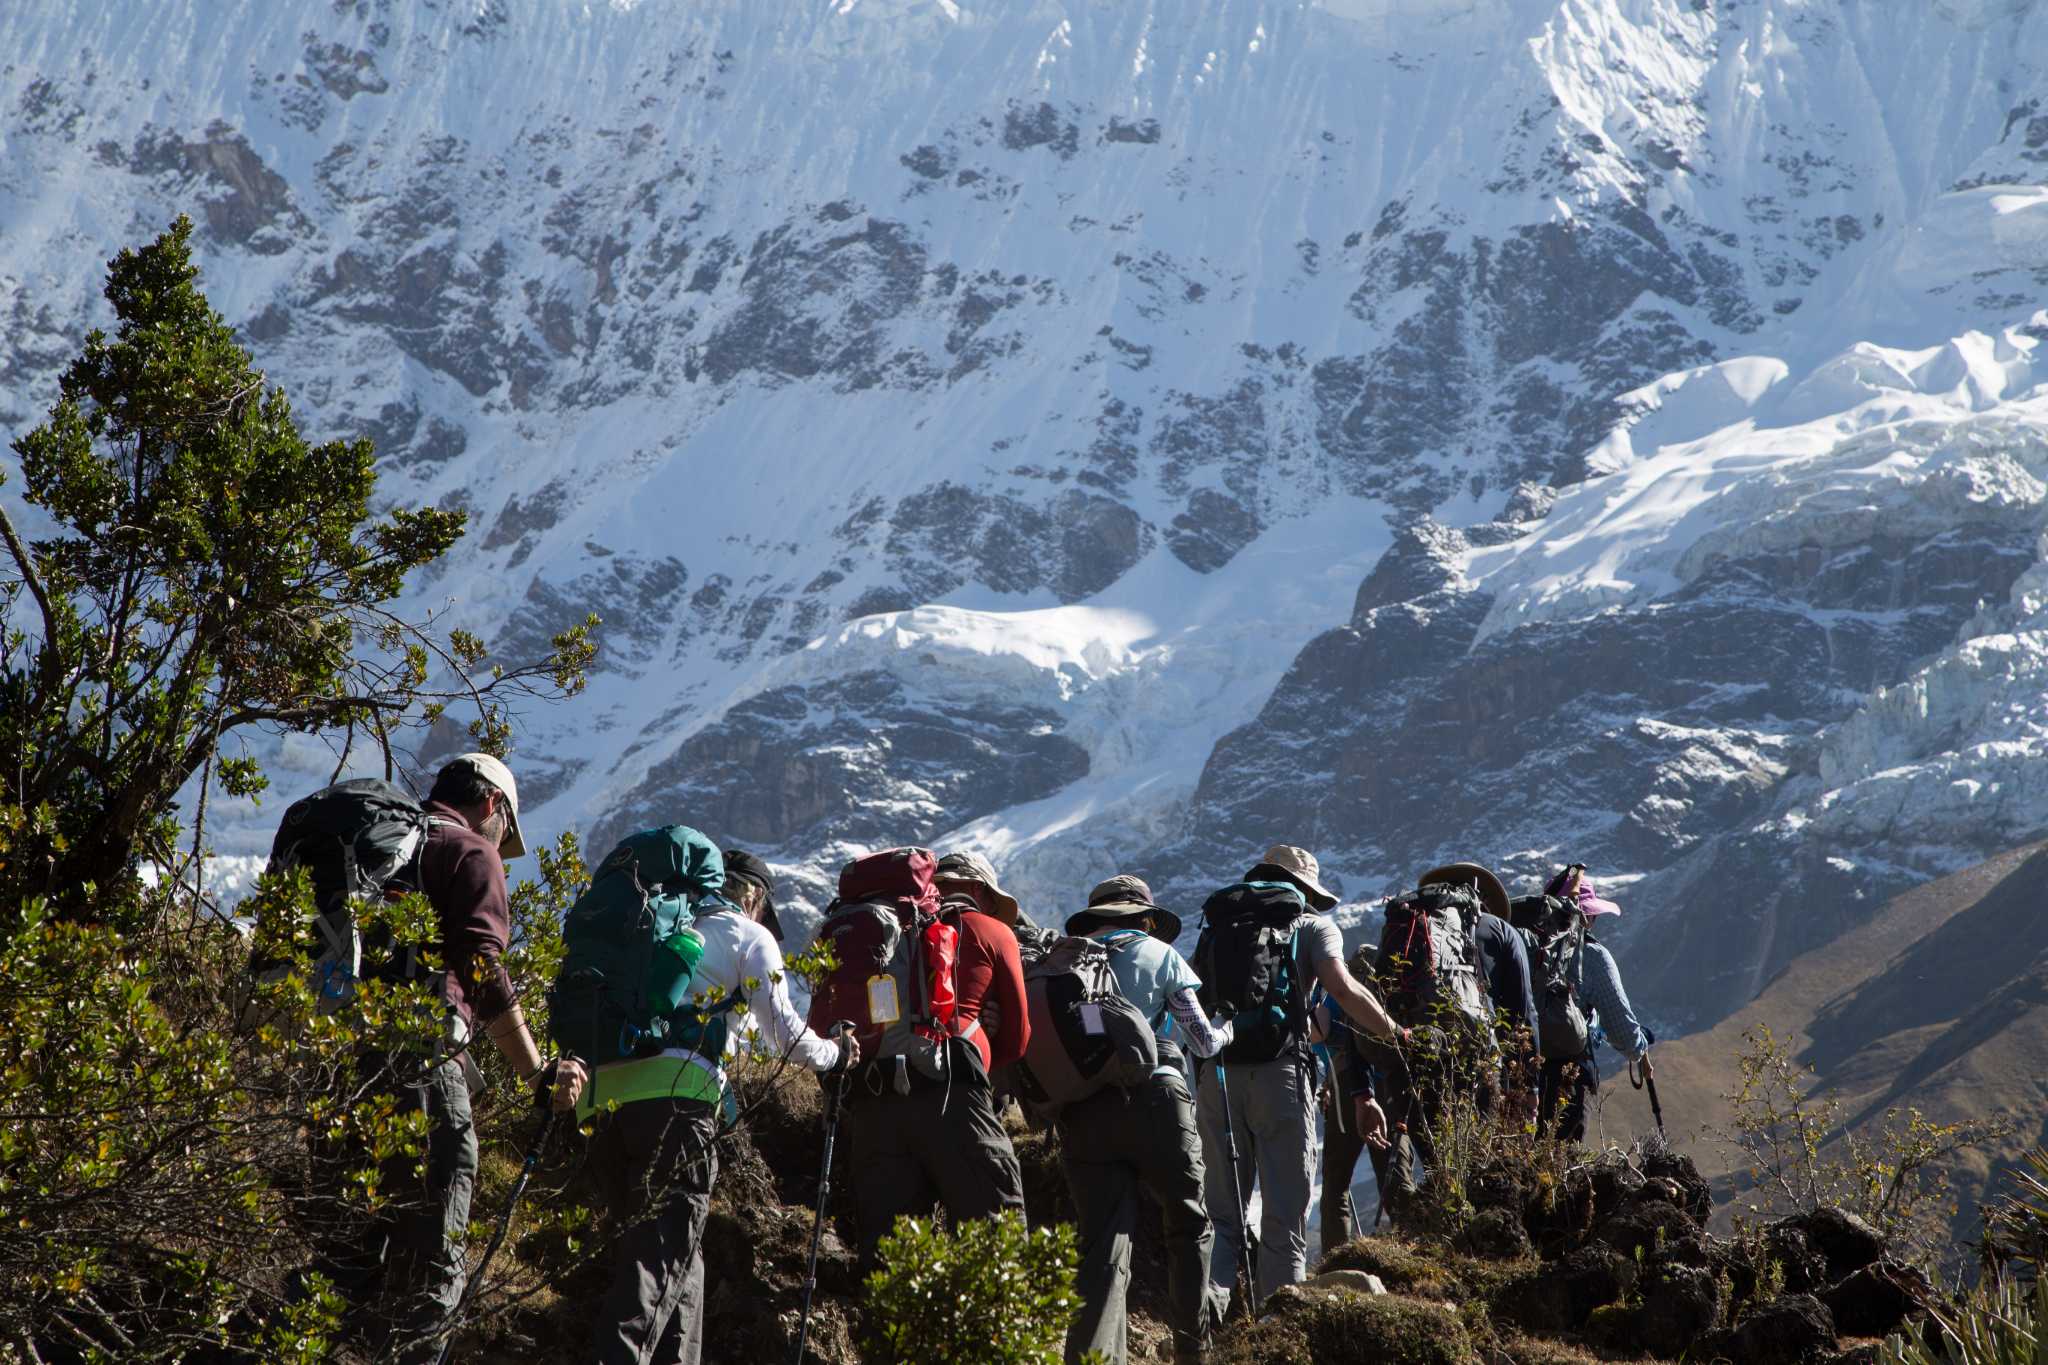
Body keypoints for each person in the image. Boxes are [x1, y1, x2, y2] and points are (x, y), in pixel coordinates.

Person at [549, 847, 858, 1364]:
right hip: (674, 1105)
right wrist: (835, 1055)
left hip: (601, 1104)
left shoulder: (661, 923)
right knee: (657, 1262)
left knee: (680, 1261)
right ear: (754, 897)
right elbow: (784, 1035)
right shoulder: (745, 935)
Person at [1196, 844, 1407, 1308]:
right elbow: (1342, 988)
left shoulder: (1221, 923)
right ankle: (1279, 1334)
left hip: (1218, 1077)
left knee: (1224, 1220)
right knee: (1284, 1220)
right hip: (1281, 1077)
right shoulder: (1312, 926)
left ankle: (1201, 1333)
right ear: (1305, 889)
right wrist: (1396, 1033)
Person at [1056, 875, 1234, 1365]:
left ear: (1096, 919)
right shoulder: (1161, 955)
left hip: (1087, 1109)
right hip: (1158, 1098)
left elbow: (1090, 1033)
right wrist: (1227, 1031)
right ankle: (1192, 1351)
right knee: (1188, 1224)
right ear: (1148, 920)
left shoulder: (1074, 963)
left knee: (1102, 1242)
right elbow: (1200, 1040)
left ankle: (1093, 1358)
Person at [838, 849, 1029, 1265]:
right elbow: (1017, 1040)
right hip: (954, 1100)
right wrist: (981, 1043)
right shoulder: (990, 930)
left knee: (893, 1261)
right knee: (995, 1246)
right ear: (980, 890)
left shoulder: (889, 930)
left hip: (874, 1102)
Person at [1535, 868, 1651, 1143]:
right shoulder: (1593, 956)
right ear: (1584, 917)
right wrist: (1640, 1047)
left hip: (1517, 1075)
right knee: (1557, 1164)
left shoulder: (1524, 947)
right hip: (1569, 1076)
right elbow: (1621, 1029)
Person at [1311, 947, 1391, 1255]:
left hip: (1349, 1083)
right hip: (1387, 1080)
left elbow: (1321, 1033)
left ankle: (1337, 1258)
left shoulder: (1329, 989)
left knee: (1336, 1181)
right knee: (1391, 1169)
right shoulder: (1375, 992)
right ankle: (1411, 1243)